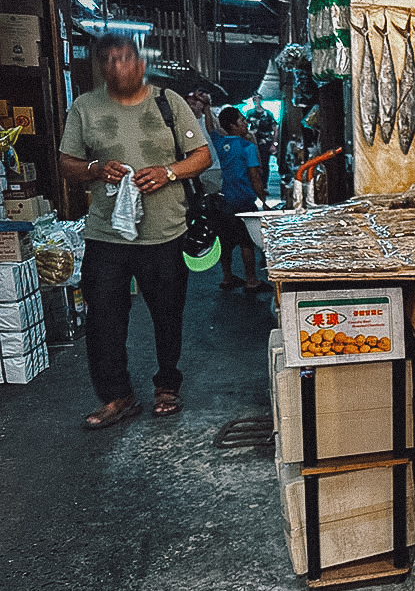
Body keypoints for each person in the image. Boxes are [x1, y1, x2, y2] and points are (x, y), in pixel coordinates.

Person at [58, 33, 212, 429]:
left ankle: (167, 385)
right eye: (107, 59)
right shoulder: (84, 108)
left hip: (164, 231)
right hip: (106, 234)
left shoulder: (168, 102)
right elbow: (68, 165)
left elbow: (202, 156)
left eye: (124, 58)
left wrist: (168, 172)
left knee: (167, 313)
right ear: (99, 66)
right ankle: (117, 395)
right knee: (104, 317)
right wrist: (95, 169)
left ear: (140, 63)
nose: (116, 66)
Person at [212, 106, 269, 293]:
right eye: (242, 121)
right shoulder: (247, 147)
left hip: (224, 200)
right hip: (244, 200)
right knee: (247, 241)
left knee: (226, 241)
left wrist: (206, 108)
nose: (246, 124)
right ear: (232, 126)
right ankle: (251, 280)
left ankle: (227, 278)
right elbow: (254, 177)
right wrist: (263, 200)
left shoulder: (218, 142)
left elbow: (211, 128)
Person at [245, 92, 277, 174]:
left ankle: (264, 184)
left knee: (265, 163)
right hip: (253, 141)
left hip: (265, 142)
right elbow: (245, 126)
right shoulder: (250, 113)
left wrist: (274, 144)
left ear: (260, 99)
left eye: (258, 98)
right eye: (254, 98)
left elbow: (275, 129)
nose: (256, 100)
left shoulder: (268, 114)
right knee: (253, 163)